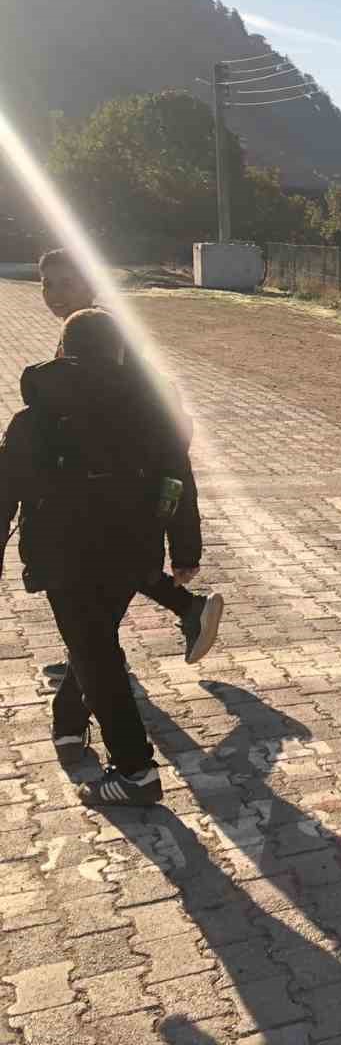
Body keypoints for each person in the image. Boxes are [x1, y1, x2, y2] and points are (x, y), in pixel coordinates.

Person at [0, 309, 201, 805]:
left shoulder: (34, 419)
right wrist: (184, 548)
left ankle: (135, 771)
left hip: (62, 557)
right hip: (131, 552)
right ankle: (69, 725)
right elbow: (177, 479)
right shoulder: (153, 413)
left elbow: (4, 493)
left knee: (94, 649)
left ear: (64, 351)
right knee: (94, 643)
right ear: (119, 351)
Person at [35, 249, 222, 680]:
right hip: (105, 482)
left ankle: (93, 669)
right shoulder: (77, 333)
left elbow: (147, 410)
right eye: (48, 284)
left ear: (91, 284)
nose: (55, 294)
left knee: (101, 572)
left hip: (126, 479)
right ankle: (178, 615)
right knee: (115, 567)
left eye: (66, 283)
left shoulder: (103, 336)